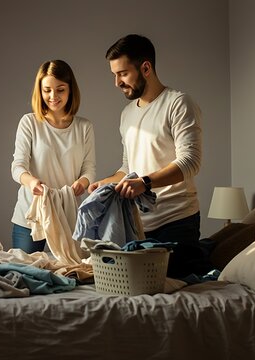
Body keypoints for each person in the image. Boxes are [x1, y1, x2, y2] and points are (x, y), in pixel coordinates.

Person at [88, 34, 208, 277]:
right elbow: (127, 166)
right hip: (139, 225)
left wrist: (145, 184)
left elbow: (190, 162)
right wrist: (107, 182)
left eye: (122, 73)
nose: (116, 82)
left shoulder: (178, 103)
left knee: (166, 288)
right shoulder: (126, 114)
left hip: (177, 222)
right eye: (114, 75)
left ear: (145, 68)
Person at [11, 60, 96, 253]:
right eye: (47, 90)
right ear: (39, 91)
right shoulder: (29, 122)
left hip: (68, 215)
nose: (53, 96)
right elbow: (18, 167)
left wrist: (82, 183)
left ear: (70, 90)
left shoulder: (84, 127)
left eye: (60, 89)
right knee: (26, 275)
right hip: (30, 215)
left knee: (74, 272)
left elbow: (89, 169)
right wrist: (32, 182)